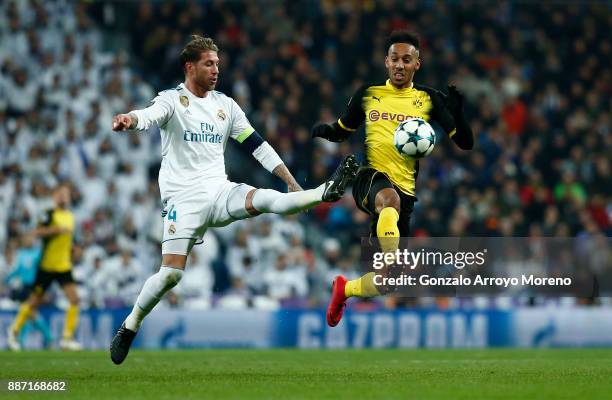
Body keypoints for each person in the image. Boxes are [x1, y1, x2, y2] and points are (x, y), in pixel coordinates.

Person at [109, 35, 358, 364]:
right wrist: (130, 119)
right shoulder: (172, 100)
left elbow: (257, 146)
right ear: (190, 67)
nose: (215, 70)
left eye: (217, 64)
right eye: (208, 64)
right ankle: (130, 325)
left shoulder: (225, 106)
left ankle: (323, 191)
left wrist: (291, 181)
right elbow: (149, 115)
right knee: (171, 275)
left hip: (219, 190)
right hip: (183, 201)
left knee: (268, 199)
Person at [312, 31, 474, 327]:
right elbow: (342, 130)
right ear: (386, 62)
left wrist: (459, 114)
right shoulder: (368, 94)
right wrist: (325, 130)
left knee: (389, 283)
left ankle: (343, 289)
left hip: (405, 194)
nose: (400, 65)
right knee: (389, 200)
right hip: (370, 178)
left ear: (417, 64)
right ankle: (391, 257)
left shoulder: (428, 99)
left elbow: (465, 143)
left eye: (407, 60)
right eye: (395, 59)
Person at [7, 184, 81, 350]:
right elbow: (37, 232)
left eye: (66, 194)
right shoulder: (49, 214)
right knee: (33, 302)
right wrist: (55, 229)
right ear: (54, 197)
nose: (63, 197)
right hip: (47, 266)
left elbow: (68, 238)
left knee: (75, 299)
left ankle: (67, 338)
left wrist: (74, 249)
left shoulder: (70, 216)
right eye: (60, 194)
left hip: (63, 265)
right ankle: (14, 330)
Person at [4, 233, 53, 348]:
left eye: (30, 239)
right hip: (25, 286)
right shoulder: (21, 254)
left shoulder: (37, 253)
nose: (28, 241)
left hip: (35, 286)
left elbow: (43, 269)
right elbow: (18, 270)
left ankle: (23, 340)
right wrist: (6, 280)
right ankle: (47, 337)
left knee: (28, 311)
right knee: (28, 313)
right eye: (26, 239)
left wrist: (45, 287)